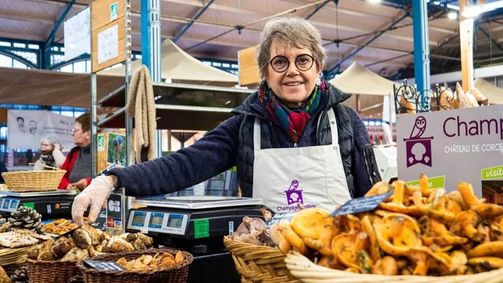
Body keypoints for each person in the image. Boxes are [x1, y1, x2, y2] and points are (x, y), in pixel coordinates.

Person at [72, 17, 373, 226]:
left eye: (303, 60)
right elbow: (183, 166)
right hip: (263, 265)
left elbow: (372, 198)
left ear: (318, 67)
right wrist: (111, 179)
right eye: (280, 62)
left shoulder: (346, 122)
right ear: (265, 73)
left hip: (336, 266)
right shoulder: (245, 125)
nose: (292, 71)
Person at [58, 113, 92, 190]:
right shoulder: (73, 154)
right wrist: (68, 185)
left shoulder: (102, 154)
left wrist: (88, 182)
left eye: (76, 130)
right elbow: (60, 178)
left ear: (88, 134)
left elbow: (108, 177)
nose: (72, 134)